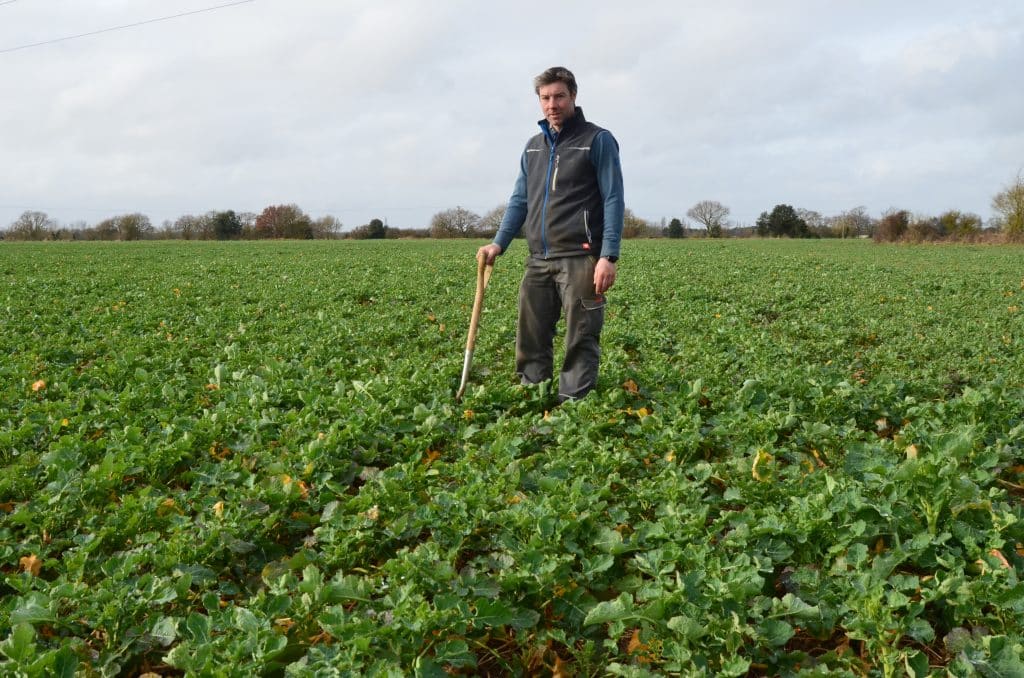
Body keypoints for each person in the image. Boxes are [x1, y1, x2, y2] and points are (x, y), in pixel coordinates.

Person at [477, 66, 624, 402]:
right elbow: (520, 200)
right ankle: (534, 394)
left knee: (581, 335)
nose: (552, 104)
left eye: (559, 96)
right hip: (538, 259)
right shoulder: (533, 147)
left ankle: (573, 404)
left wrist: (608, 255)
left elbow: (613, 198)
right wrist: (499, 242)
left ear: (573, 96)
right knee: (530, 333)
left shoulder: (596, 140)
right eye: (545, 98)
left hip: (580, 256)